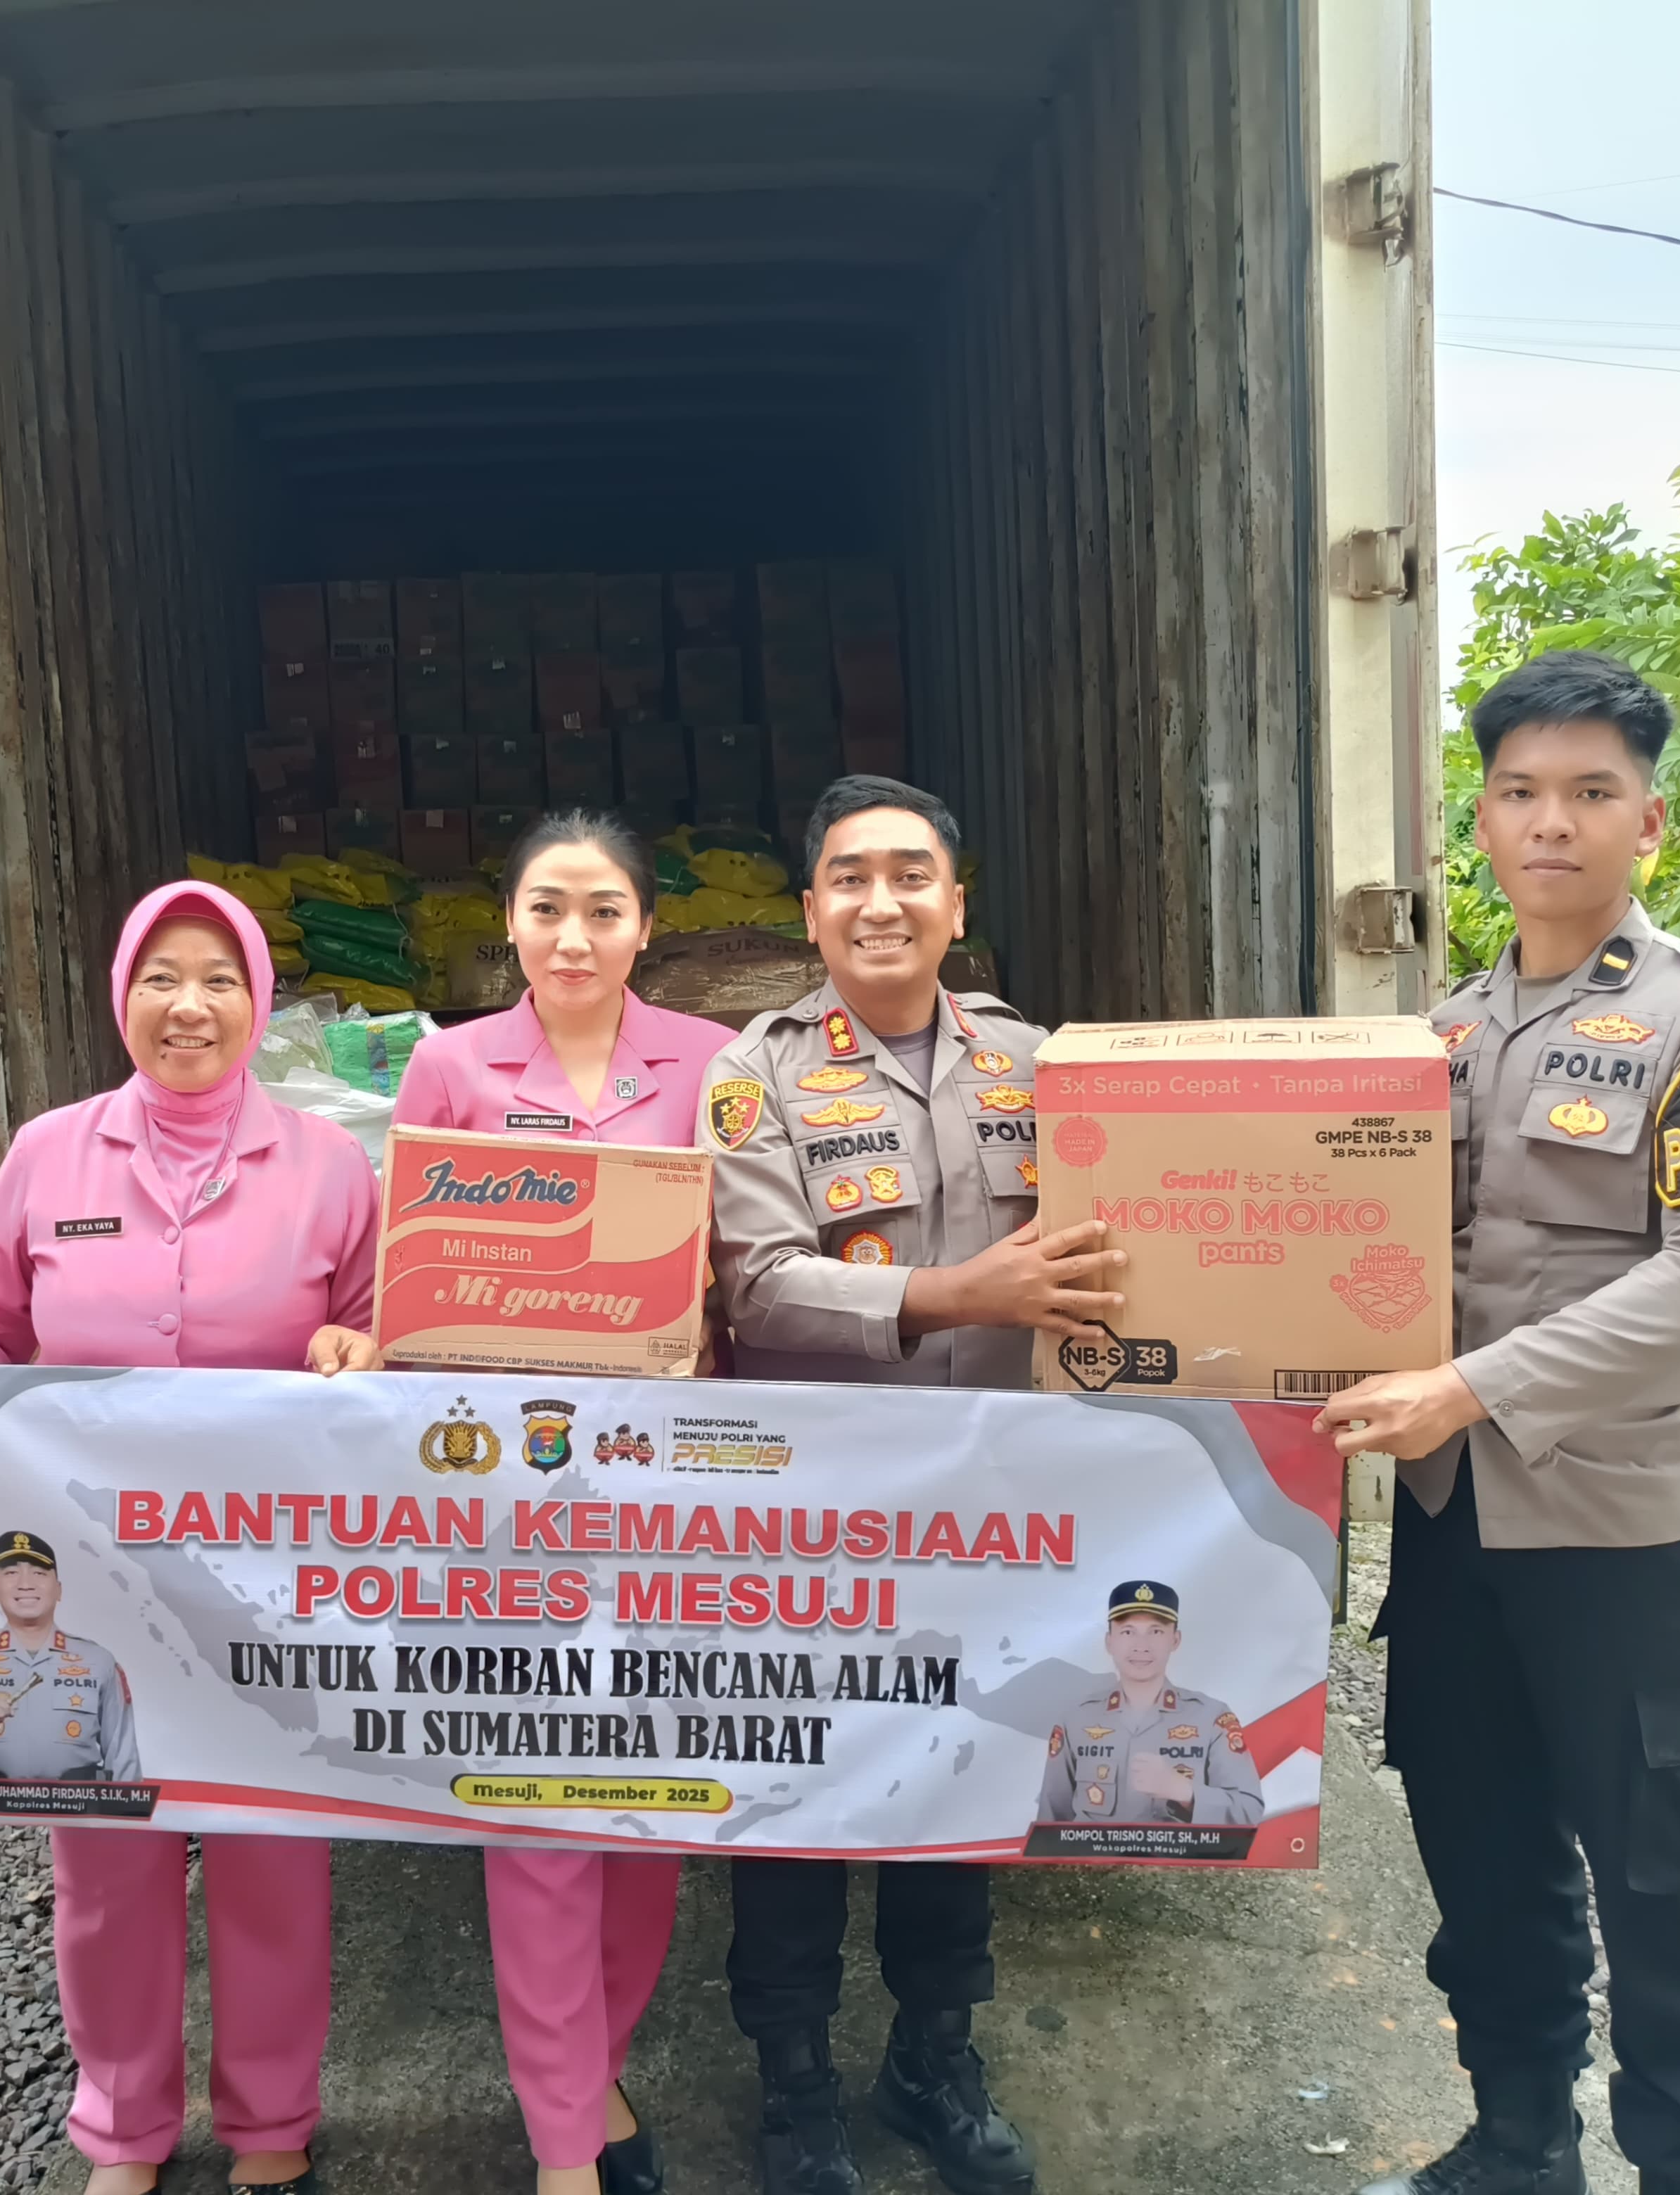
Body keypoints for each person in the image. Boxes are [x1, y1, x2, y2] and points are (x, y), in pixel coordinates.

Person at [1314, 651, 1680, 2195]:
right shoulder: (1437, 1035)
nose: (1553, 824)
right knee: (1483, 1855)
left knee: (1664, 1881)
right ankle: (1519, 2139)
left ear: (1649, 823)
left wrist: (1465, 1388)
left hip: (1629, 1530)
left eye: (1591, 793)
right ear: (1482, 818)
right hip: (1460, 1528)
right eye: (1522, 793)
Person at [0, 875, 377, 2195]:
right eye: (161, 976)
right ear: (121, 996)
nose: (187, 1005)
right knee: (102, 1859)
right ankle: (121, 2129)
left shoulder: (328, 1165)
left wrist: (357, 1344)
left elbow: (385, 1334)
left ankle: (272, 2130)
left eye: (218, 978)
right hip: (81, 1576)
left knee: (274, 1855)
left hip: (267, 1586)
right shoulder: (52, 1153)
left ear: (258, 1000)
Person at [702, 774, 1126, 2195]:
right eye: (845, 878)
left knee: (961, 1785)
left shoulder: (1046, 1066)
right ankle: (795, 2083)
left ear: (957, 902)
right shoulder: (749, 1072)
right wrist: (959, 1290)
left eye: (907, 875)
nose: (877, 902)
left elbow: (1141, 1248)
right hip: (805, 1520)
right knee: (793, 1805)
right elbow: (755, 1290)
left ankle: (933, 2055)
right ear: (808, 910)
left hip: (993, 1509)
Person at [390, 809, 730, 2195]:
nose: (571, 937)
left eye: (601, 909)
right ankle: (562, 2149)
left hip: (666, 1496)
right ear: (509, 923)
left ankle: (595, 2077)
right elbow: (405, 1280)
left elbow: (747, 1260)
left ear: (646, 927)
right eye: (545, 908)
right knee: (534, 1810)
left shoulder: (713, 1066)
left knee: (644, 1810)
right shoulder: (451, 1064)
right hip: (508, 1506)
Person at [0, 1532, 141, 1781]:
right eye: (11, 1573)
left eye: (40, 1573)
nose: (26, 1584)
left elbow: (122, 1753)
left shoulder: (98, 1660)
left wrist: (127, 1814)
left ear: (59, 1590)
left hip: (76, 1806)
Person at [1036, 1582, 1264, 1827]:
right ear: (1109, 1641)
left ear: (1175, 1640)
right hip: (1095, 1865)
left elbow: (1248, 1811)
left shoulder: (1211, 1718)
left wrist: (1186, 1792)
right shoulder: (1076, 1720)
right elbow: (1051, 1823)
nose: (1141, 1646)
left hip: (1177, 1864)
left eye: (1155, 1631)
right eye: (1128, 1631)